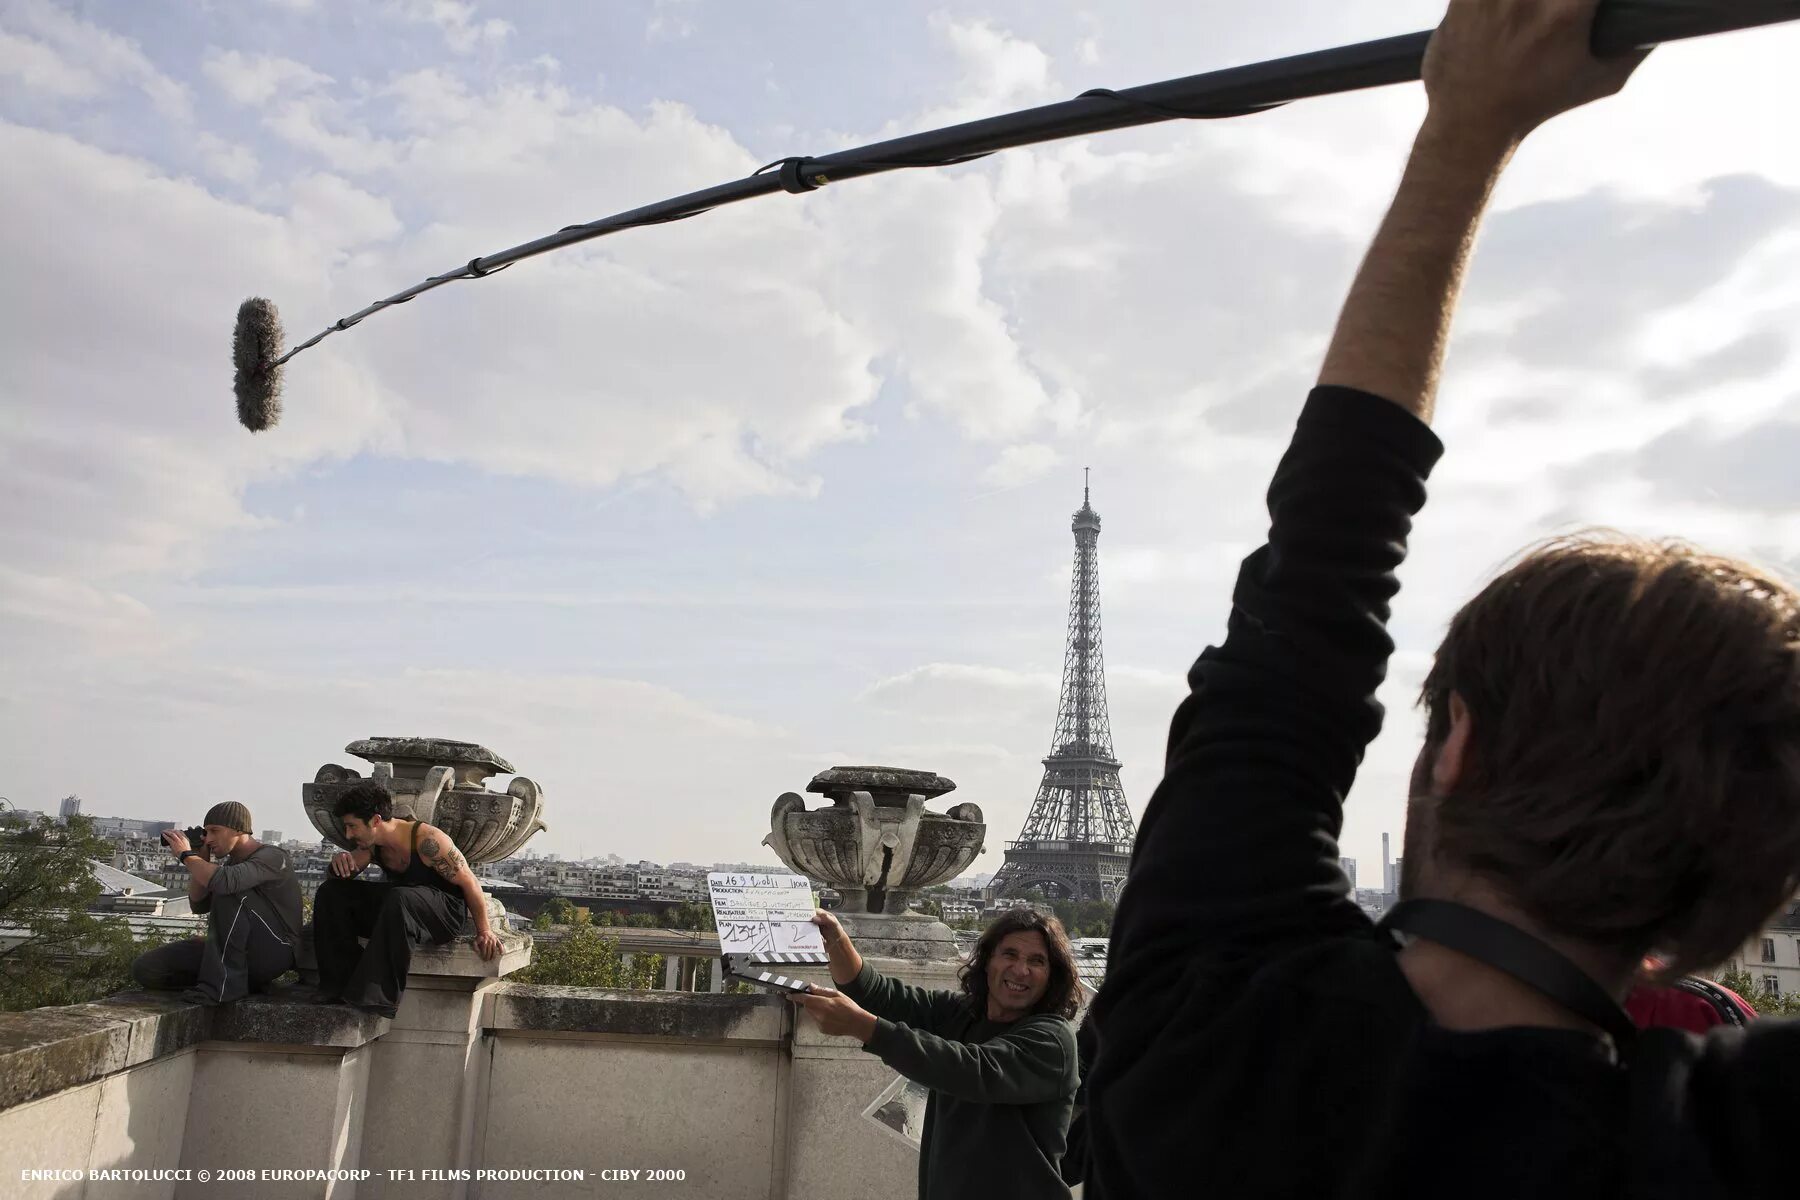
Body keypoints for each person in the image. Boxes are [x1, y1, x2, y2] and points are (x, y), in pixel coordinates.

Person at [1081, 1, 1800, 1197]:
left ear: (1454, 747)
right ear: (1737, 888)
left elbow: (1321, 568)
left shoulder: (1209, 1021)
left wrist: (1464, 131)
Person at [789, 907, 1081, 1200]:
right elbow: (881, 996)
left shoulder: (1053, 1041)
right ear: (987, 961)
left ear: (1052, 975)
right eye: (1010, 954)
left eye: (1036, 961)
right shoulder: (963, 1013)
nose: (1020, 970)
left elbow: (969, 1070)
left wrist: (865, 1028)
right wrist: (836, 939)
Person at [310, 782, 503, 1018]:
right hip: (401, 908)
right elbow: (345, 874)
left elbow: (470, 883)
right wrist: (339, 863)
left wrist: (485, 931)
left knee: (399, 896)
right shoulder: (372, 844)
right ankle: (337, 984)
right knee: (332, 892)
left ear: (376, 821)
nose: (348, 834)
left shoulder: (428, 841)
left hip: (444, 913)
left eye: (352, 826)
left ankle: (378, 996)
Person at [131, 802, 302, 1004]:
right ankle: (235, 982)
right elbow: (198, 905)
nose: (209, 838)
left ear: (239, 829)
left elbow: (225, 882)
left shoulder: (273, 857)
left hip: (274, 950)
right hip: (236, 952)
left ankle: (222, 989)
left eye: (215, 831)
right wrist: (200, 858)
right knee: (148, 968)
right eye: (206, 832)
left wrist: (186, 856)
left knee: (227, 887)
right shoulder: (230, 866)